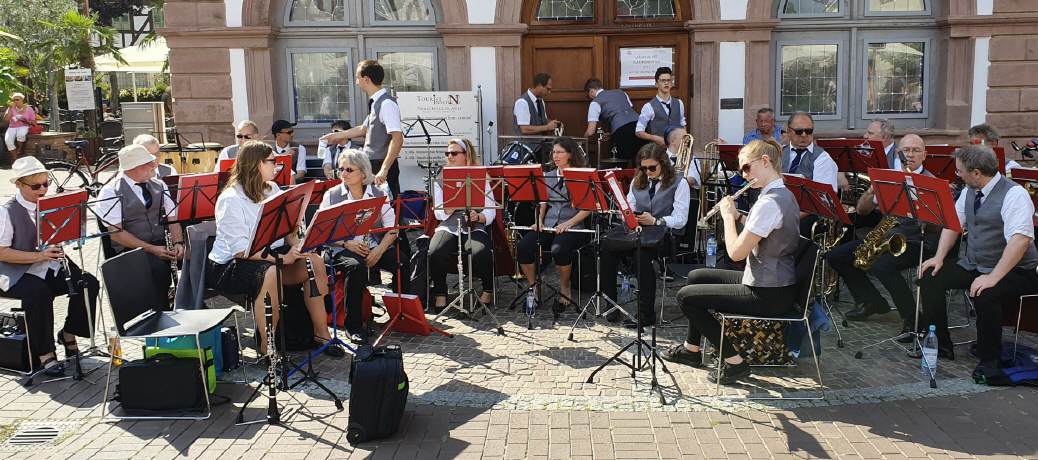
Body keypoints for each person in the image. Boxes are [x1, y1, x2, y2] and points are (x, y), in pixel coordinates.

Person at [663, 140, 799, 385]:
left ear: (765, 162)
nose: (743, 175)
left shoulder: (769, 203)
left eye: (747, 168)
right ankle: (691, 350)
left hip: (768, 292)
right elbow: (764, 230)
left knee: (686, 297)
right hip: (774, 282)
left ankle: (734, 362)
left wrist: (727, 217)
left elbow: (736, 253)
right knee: (697, 277)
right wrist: (739, 216)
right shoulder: (782, 194)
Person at [206, 141, 343, 357]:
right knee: (270, 273)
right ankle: (267, 347)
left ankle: (322, 335)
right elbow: (240, 250)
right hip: (233, 265)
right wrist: (282, 260)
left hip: (271, 255)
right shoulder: (230, 199)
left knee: (314, 261)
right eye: (272, 162)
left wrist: (298, 244)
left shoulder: (273, 189)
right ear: (255, 165)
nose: (277, 166)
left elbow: (287, 229)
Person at [918, 144, 1038, 370]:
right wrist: (939, 257)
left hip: (1018, 270)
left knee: (986, 293)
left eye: (959, 171)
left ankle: (989, 360)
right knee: (931, 277)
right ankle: (941, 346)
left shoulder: (1015, 194)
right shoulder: (969, 190)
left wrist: (992, 277)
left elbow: (1020, 241)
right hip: (976, 263)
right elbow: (953, 224)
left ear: (976, 173)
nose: (957, 174)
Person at [827, 135, 936, 338]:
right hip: (888, 236)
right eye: (906, 150)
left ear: (925, 155)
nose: (910, 155)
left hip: (918, 240)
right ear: (898, 153)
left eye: (915, 150)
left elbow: (937, 226)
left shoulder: (931, 182)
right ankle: (871, 301)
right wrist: (869, 193)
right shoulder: (889, 178)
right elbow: (862, 211)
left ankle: (913, 320)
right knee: (837, 257)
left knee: (882, 266)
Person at [0, 157, 100, 376]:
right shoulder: (6, 211)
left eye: (46, 184)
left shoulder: (52, 205)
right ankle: (45, 353)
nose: (43, 189)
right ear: (19, 184)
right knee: (38, 293)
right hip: (15, 270)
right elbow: (2, 252)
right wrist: (38, 256)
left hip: (49, 263)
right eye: (36, 186)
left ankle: (69, 332)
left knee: (88, 283)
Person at [320, 149, 408, 343]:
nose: (343, 173)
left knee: (401, 261)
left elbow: (393, 229)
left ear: (363, 173)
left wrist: (380, 250)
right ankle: (354, 326)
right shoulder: (332, 195)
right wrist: (346, 243)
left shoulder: (378, 192)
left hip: (372, 246)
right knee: (356, 267)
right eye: (341, 169)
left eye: (349, 169)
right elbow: (322, 232)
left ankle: (403, 314)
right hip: (339, 247)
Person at [601, 143, 690, 329]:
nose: (647, 172)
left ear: (663, 164)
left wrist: (656, 221)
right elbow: (630, 204)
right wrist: (626, 213)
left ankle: (645, 314)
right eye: (644, 168)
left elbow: (681, 219)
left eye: (652, 167)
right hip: (637, 231)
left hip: (663, 234)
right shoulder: (637, 181)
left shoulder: (680, 183)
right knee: (606, 247)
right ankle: (611, 305)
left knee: (642, 256)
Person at [94, 144, 184, 309]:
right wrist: (152, 249)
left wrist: (179, 242)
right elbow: (117, 235)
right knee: (157, 268)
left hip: (158, 245)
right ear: (133, 168)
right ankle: (159, 315)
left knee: (197, 258)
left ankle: (187, 308)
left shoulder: (159, 184)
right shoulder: (110, 191)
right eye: (148, 163)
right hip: (130, 251)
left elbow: (173, 218)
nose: (154, 165)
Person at [515, 138, 592, 313]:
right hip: (549, 224)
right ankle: (533, 286)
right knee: (524, 247)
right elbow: (542, 203)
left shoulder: (581, 176)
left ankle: (565, 287)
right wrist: (539, 220)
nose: (555, 156)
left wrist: (569, 223)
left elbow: (588, 208)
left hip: (573, 226)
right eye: (553, 152)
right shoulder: (547, 177)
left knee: (559, 250)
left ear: (570, 154)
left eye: (559, 152)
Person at [428, 138, 495, 311]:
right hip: (449, 224)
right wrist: (449, 208)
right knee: (435, 251)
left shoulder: (481, 176)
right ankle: (441, 292)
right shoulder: (441, 178)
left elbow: (491, 210)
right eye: (448, 153)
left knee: (481, 252)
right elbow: (438, 213)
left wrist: (478, 217)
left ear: (466, 155)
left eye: (454, 153)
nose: (449, 156)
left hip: (474, 225)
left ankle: (488, 289)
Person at [320, 60, 405, 197]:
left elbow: (397, 138)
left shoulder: (387, 104)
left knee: (387, 208)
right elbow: (363, 129)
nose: (356, 81)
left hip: (380, 164)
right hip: (371, 163)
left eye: (357, 77)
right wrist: (335, 136)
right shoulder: (377, 102)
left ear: (366, 79)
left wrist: (384, 170)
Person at [784, 111, 837, 235]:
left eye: (808, 131)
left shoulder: (823, 158)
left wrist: (788, 218)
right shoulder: (780, 152)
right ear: (788, 131)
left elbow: (823, 200)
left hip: (807, 215)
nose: (804, 135)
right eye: (799, 131)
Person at [583, 78, 646, 163]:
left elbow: (591, 131)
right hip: (640, 127)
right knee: (642, 160)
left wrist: (583, 140)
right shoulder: (621, 92)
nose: (589, 98)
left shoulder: (595, 103)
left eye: (588, 96)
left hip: (622, 132)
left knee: (622, 163)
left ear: (591, 91)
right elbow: (627, 110)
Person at [635, 67, 685, 147]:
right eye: (663, 80)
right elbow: (638, 131)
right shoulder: (648, 107)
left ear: (671, 83)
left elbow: (682, 124)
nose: (666, 83)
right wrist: (655, 138)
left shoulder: (679, 103)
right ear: (656, 84)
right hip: (658, 151)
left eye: (668, 80)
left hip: (677, 149)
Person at [3, 93, 37, 166]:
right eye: (14, 100)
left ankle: (20, 149)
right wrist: (9, 108)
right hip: (12, 127)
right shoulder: (11, 108)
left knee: (20, 135)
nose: (15, 101)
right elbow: (6, 119)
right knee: (8, 141)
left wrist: (25, 121)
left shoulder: (29, 109)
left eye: (17, 100)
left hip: (24, 126)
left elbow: (34, 122)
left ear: (22, 100)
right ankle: (16, 160)